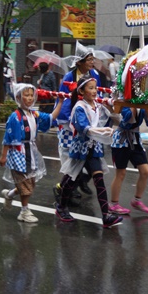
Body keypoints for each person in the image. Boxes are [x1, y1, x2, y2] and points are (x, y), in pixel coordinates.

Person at [53, 75, 123, 228]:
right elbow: (83, 128)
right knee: (70, 179)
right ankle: (61, 207)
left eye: (95, 88)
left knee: (99, 181)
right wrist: (101, 130)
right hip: (80, 148)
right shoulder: (79, 107)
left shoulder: (97, 106)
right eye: (90, 88)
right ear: (81, 91)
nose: (94, 91)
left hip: (94, 148)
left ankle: (106, 216)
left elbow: (114, 118)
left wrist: (112, 107)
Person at [0, 83, 64, 223]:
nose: (29, 98)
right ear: (18, 97)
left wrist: (60, 102)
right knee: (25, 182)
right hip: (18, 152)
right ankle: (24, 211)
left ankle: (9, 195)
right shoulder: (15, 117)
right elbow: (8, 137)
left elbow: (50, 118)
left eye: (31, 95)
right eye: (26, 95)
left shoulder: (34, 114)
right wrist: (3, 155)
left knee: (30, 182)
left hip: (31, 152)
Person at [55, 42, 102, 197]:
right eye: (89, 59)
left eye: (92, 59)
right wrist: (69, 119)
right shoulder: (70, 77)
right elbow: (64, 100)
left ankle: (82, 180)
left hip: (89, 120)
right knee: (71, 158)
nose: (92, 62)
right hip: (73, 121)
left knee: (93, 156)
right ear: (80, 61)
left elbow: (98, 95)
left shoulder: (94, 75)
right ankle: (67, 191)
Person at [109, 106, 148, 215]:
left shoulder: (142, 102)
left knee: (145, 171)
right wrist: (133, 106)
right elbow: (125, 121)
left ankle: (137, 200)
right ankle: (113, 204)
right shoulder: (122, 102)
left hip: (135, 140)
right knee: (120, 173)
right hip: (120, 140)